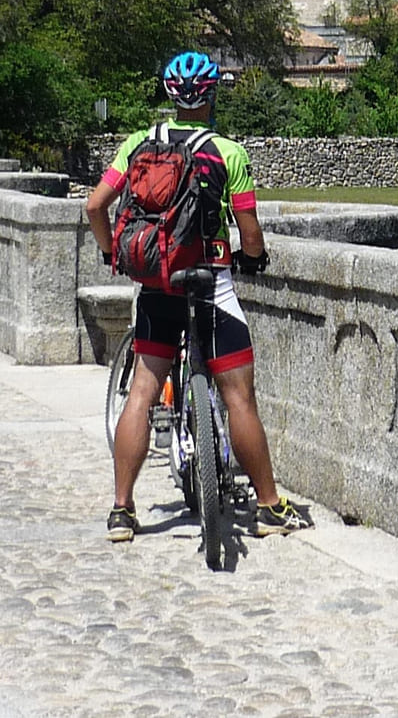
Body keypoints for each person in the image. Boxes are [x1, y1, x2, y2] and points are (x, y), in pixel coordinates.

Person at [85, 51, 312, 543]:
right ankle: (270, 508)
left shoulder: (138, 145)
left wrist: (113, 254)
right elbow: (249, 232)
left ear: (170, 95)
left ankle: (122, 510)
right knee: (239, 398)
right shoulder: (228, 153)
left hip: (155, 285)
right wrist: (252, 257)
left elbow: (94, 204)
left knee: (143, 393)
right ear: (210, 95)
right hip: (209, 283)